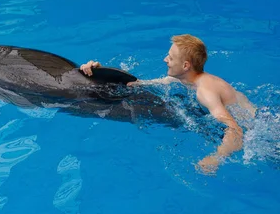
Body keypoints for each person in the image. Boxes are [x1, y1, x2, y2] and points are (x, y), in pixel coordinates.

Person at [80, 34, 256, 174]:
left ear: (186, 65)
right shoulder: (184, 80)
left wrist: (216, 158)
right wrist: (99, 71)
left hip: (255, 130)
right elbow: (136, 84)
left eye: (170, 58)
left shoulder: (205, 92)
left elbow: (234, 129)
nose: (165, 59)